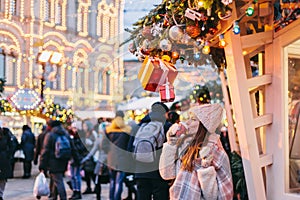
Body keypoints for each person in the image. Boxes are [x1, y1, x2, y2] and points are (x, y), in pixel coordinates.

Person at [165, 103, 233, 200]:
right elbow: (167, 174)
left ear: (204, 125)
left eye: (193, 119)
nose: (187, 122)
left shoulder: (214, 150)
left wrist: (205, 167)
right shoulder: (187, 145)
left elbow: (212, 197)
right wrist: (171, 142)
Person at [132, 102, 171, 200]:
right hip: (158, 172)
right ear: (164, 113)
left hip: (140, 172)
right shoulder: (166, 126)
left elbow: (130, 148)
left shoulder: (140, 126)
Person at [39, 120, 71, 200]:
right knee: (55, 179)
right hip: (63, 160)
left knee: (58, 181)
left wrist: (42, 164)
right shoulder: (65, 134)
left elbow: (45, 151)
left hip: (53, 161)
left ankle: (63, 197)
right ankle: (53, 196)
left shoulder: (50, 135)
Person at [103, 110, 131, 200]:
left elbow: (103, 145)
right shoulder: (128, 130)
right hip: (123, 158)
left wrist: (109, 152)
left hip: (111, 159)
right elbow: (129, 146)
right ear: (123, 117)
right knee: (119, 182)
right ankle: (117, 198)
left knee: (112, 181)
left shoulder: (108, 129)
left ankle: (111, 198)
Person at [81, 120, 108, 200]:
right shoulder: (109, 137)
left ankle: (99, 197)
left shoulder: (99, 137)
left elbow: (93, 149)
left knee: (98, 180)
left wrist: (86, 158)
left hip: (101, 161)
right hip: (106, 161)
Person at [68, 122, 89, 200]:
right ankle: (75, 190)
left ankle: (77, 191)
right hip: (73, 158)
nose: (74, 130)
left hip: (77, 158)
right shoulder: (71, 137)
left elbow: (81, 148)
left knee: (76, 176)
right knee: (73, 176)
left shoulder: (80, 137)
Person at [82, 120, 96, 194]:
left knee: (91, 172)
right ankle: (89, 187)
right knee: (87, 173)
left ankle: (95, 186)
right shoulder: (85, 134)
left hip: (91, 155)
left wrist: (91, 143)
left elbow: (97, 144)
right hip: (86, 154)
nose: (84, 127)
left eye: (85, 126)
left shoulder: (92, 133)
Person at [0, 124, 14, 200]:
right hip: (4, 158)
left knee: (3, 178)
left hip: (4, 159)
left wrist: (8, 155)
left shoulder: (6, 135)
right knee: (3, 178)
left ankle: (0, 194)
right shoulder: (6, 135)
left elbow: (12, 146)